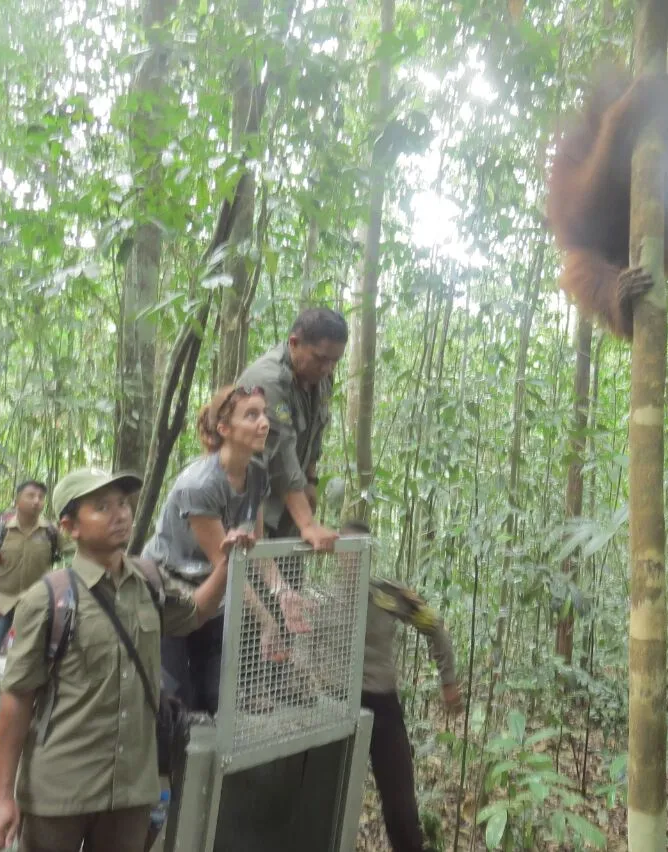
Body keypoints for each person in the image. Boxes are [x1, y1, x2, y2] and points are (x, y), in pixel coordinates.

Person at [0, 468, 247, 852]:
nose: (120, 514)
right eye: (102, 507)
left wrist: (225, 563)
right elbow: (17, 699)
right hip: (60, 791)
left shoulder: (150, 582)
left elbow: (194, 615)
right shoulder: (49, 598)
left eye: (123, 503)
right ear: (70, 527)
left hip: (130, 791)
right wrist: (2, 797)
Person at [141, 383, 306, 713]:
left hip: (213, 589)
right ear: (224, 429)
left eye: (264, 414)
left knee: (216, 696)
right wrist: (266, 620)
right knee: (176, 699)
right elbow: (226, 564)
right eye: (251, 415)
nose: (264, 423)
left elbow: (254, 548)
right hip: (169, 590)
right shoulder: (199, 485)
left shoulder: (257, 475)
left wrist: (282, 590)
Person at [342, 522, 461, 852]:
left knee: (400, 803)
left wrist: (448, 680)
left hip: (381, 705)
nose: (351, 560)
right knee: (330, 798)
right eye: (346, 552)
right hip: (338, 706)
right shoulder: (325, 597)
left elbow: (434, 626)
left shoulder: (386, 595)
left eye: (358, 552)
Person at [236, 307, 347, 552]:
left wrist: (311, 480)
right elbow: (281, 454)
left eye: (335, 361)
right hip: (253, 508)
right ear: (294, 343)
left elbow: (316, 432)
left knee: (290, 574)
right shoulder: (268, 381)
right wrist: (308, 524)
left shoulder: (321, 378)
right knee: (257, 571)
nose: (328, 368)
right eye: (321, 359)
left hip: (291, 507)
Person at [0, 480, 60, 659]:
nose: (36, 501)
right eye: (31, 496)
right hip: (1, 602)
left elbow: (75, 550)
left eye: (41, 497)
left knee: (50, 647)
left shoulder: (50, 532)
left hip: (37, 604)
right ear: (17, 500)